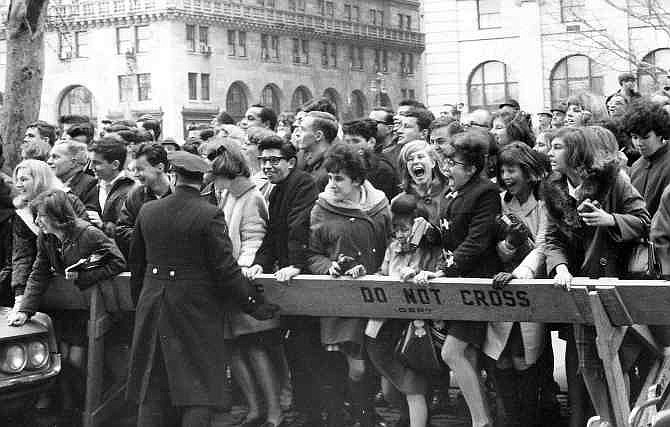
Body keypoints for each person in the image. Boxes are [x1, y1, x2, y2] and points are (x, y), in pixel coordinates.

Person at [126, 150, 278, 427]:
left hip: (152, 304)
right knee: (197, 385)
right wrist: (256, 305)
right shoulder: (209, 214)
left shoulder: (148, 211)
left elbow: (137, 265)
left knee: (153, 381)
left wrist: (142, 302)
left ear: (173, 175)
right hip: (194, 308)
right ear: (203, 181)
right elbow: (226, 270)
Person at [544, 126, 650, 426]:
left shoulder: (613, 180)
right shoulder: (555, 189)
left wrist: (610, 219)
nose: (550, 153)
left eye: (557, 147)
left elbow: (644, 220)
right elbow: (553, 240)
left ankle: (621, 421)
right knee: (588, 365)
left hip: (615, 281)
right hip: (579, 285)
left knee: (616, 361)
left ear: (576, 153)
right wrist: (560, 268)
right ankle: (607, 420)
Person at [8, 189, 125, 412]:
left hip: (91, 308)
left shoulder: (88, 233)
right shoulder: (46, 237)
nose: (36, 221)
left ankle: (81, 407)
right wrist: (25, 310)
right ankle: (70, 407)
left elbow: (118, 261)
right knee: (62, 358)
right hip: (70, 309)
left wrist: (84, 276)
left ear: (56, 216)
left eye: (41, 216)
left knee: (76, 359)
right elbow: (39, 271)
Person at [415, 130, 502, 427]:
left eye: (454, 163)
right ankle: (478, 418)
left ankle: (481, 421)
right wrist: (430, 232)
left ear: (473, 168)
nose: (447, 168)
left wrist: (443, 271)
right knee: (465, 355)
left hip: (475, 285)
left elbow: (477, 242)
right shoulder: (455, 192)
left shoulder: (486, 192)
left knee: (451, 352)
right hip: (458, 282)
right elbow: (452, 234)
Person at [307, 143, 391, 427]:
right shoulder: (321, 208)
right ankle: (359, 415)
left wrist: (382, 271)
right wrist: (328, 267)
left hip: (375, 294)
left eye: (339, 178)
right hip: (342, 300)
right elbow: (312, 253)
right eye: (329, 177)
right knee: (356, 366)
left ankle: (365, 413)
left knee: (376, 361)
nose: (332, 184)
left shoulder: (380, 206)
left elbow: (391, 246)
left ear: (357, 180)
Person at [204, 141, 284, 427]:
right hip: (228, 280)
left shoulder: (252, 197)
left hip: (243, 282)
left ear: (232, 174)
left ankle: (273, 411)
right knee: (234, 348)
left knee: (254, 347)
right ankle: (254, 408)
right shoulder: (228, 195)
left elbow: (254, 238)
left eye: (220, 177)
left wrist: (241, 270)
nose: (217, 183)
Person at [244, 137, 322, 426]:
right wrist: (258, 264)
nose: (268, 166)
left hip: (302, 274)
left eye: (275, 160)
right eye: (264, 161)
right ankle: (305, 408)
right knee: (296, 347)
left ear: (291, 162)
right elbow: (272, 235)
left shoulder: (302, 184)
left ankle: (314, 411)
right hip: (287, 273)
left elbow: (298, 228)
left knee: (307, 347)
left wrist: (294, 265)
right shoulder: (277, 191)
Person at [486, 143, 551, 427]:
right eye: (502, 170)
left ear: (529, 172)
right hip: (501, 289)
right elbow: (498, 250)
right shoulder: (500, 202)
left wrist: (521, 273)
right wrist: (510, 243)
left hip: (529, 288)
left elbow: (543, 246)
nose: (507, 176)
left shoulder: (544, 204)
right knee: (501, 359)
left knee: (527, 358)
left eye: (512, 169)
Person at [366, 194, 442, 427]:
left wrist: (424, 275)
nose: (399, 234)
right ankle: (410, 418)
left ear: (419, 226)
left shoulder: (432, 250)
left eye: (404, 228)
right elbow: (382, 274)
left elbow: (441, 274)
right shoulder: (392, 248)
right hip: (385, 325)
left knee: (413, 387)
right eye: (395, 229)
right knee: (389, 390)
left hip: (415, 328)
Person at [116, 143, 172, 258]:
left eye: (140, 169)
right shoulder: (135, 195)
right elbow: (121, 230)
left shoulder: (181, 193)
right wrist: (147, 238)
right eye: (134, 170)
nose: (136, 175)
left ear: (160, 167)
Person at [623, 99, 670, 217]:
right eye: (634, 137)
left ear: (660, 133)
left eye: (645, 137)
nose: (639, 143)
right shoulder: (636, 166)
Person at [88, 138, 136, 238]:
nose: (90, 167)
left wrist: (102, 225)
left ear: (115, 165)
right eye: (90, 162)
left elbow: (131, 232)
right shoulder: (93, 185)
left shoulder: (133, 190)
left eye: (96, 163)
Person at [343, 119, 400, 201]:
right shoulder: (344, 164)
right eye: (347, 141)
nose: (350, 146)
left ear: (371, 142)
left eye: (356, 141)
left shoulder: (381, 170)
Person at [47, 140, 100, 219]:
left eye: (55, 157)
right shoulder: (48, 182)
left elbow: (86, 218)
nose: (49, 161)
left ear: (73, 163)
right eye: (49, 157)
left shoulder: (89, 184)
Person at [293, 111, 339, 191]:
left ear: (318, 136)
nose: (297, 134)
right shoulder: (299, 157)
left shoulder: (332, 168)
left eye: (303, 130)